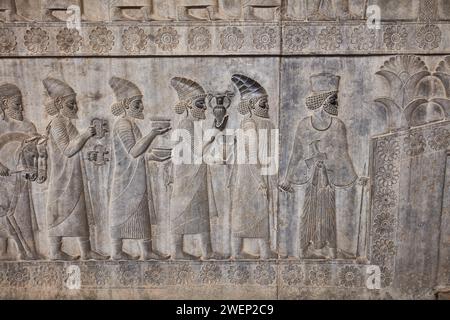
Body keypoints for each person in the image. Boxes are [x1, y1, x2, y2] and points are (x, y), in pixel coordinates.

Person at [279, 73, 364, 259]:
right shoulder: (303, 125)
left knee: (328, 215)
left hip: (328, 180)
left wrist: (356, 180)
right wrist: (288, 179)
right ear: (323, 101)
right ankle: (303, 249)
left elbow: (343, 155)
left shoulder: (338, 125)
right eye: (334, 100)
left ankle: (330, 250)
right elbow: (296, 154)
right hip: (310, 180)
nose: (337, 103)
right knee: (307, 213)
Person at [43, 77, 108, 261]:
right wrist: (87, 134)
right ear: (58, 103)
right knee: (58, 213)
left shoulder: (67, 123)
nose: (76, 108)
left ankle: (86, 252)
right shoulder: (57, 123)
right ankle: (55, 252)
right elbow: (68, 149)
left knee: (79, 212)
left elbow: (78, 150)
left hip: (74, 176)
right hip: (62, 178)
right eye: (71, 104)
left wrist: (91, 154)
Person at [108, 77, 171, 260]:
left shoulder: (131, 124)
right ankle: (117, 252)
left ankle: (145, 251)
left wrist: (157, 156)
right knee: (123, 214)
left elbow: (139, 153)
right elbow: (134, 151)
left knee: (140, 212)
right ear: (126, 105)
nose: (142, 108)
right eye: (138, 104)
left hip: (135, 177)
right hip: (125, 180)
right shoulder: (122, 124)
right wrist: (153, 133)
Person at [169, 77, 222, 260]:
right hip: (187, 178)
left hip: (195, 175)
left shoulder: (193, 125)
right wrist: (215, 130)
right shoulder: (185, 124)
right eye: (201, 103)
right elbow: (196, 152)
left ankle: (207, 252)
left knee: (201, 214)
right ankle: (177, 251)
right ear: (189, 106)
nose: (205, 108)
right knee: (182, 213)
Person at [228, 74, 278, 260]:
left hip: (258, 173)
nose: (266, 106)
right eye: (262, 103)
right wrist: (260, 179)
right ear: (250, 105)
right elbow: (251, 153)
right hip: (250, 175)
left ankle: (263, 251)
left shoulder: (266, 123)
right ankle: (237, 252)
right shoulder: (249, 123)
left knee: (258, 212)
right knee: (247, 212)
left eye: (266, 103)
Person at [0, 83, 40, 260]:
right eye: (17, 104)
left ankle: (27, 252)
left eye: (21, 103)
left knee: (23, 217)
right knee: (3, 216)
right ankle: (6, 251)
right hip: (2, 180)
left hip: (21, 180)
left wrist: (32, 168)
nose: (21, 108)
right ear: (4, 103)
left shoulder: (28, 127)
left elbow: (36, 152)